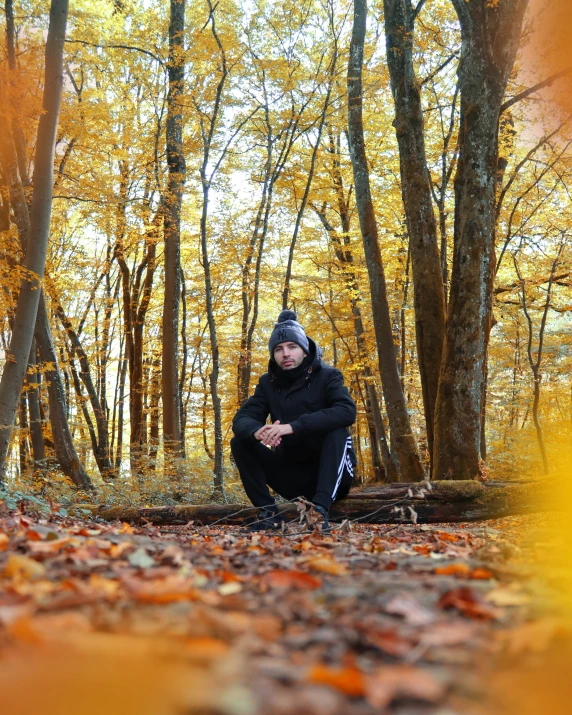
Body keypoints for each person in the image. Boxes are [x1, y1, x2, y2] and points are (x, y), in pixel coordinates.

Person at [231, 310, 357, 532]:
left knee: (338, 432)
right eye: (278, 349)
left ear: (304, 348)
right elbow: (243, 418)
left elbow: (346, 411)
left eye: (292, 347)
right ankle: (268, 513)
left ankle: (319, 512)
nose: (285, 354)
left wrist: (292, 427)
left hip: (332, 477)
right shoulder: (268, 383)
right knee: (240, 442)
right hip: (292, 476)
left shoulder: (328, 376)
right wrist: (258, 431)